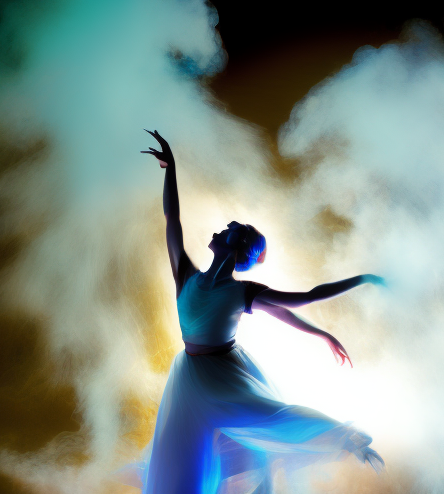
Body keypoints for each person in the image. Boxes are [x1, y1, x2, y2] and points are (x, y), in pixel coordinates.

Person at [124, 130, 384, 494]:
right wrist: (171, 168)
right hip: (192, 374)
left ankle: (345, 439)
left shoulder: (241, 292)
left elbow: (304, 298)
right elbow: (172, 218)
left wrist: (362, 279)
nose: (222, 228)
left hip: (222, 372)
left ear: (236, 247)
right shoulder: (185, 273)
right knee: (184, 458)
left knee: (267, 418)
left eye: (230, 229)